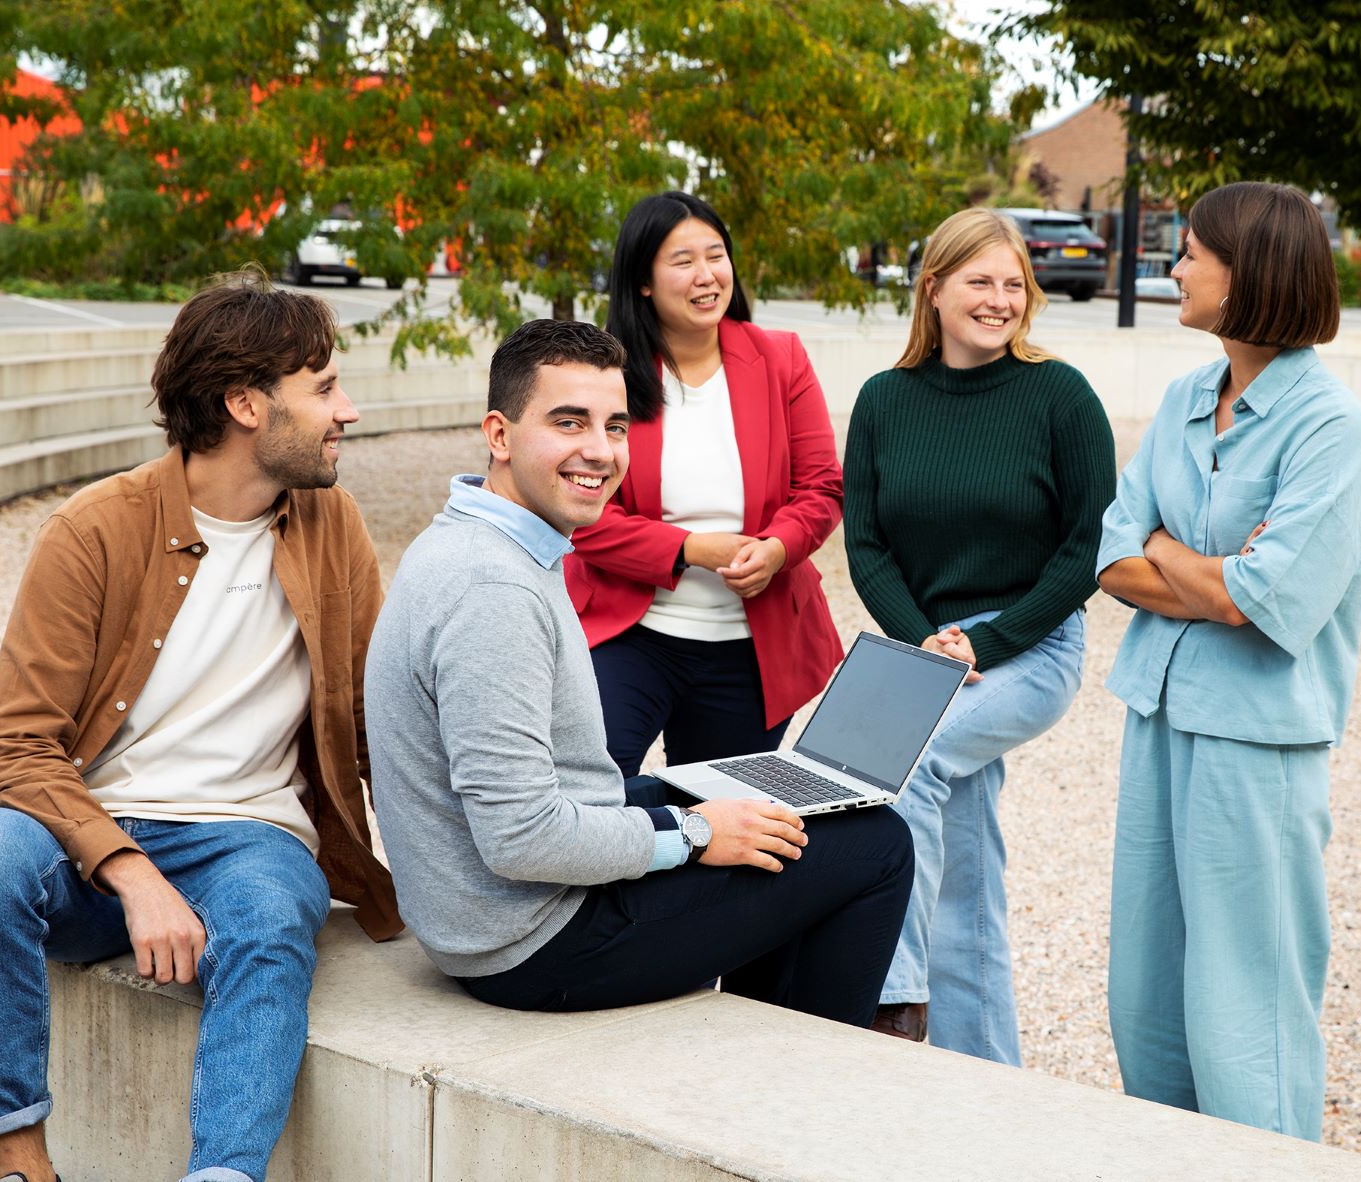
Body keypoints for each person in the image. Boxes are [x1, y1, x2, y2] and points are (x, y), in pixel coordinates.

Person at [365, 318, 912, 1025]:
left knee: (778, 813)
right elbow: (521, 839)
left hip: (508, 905)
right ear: (498, 435)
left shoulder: (481, 542)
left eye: (615, 426)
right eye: (569, 422)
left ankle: (763, 1033)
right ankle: (804, 1082)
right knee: (877, 845)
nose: (598, 451)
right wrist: (694, 832)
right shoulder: (490, 591)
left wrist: (683, 804)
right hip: (533, 941)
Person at [0, 270, 399, 1182]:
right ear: (246, 403)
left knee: (271, 921)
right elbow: (12, 743)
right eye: (323, 386)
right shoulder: (95, 530)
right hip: (89, 834)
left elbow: (373, 721)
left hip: (249, 833)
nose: (348, 411)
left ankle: (222, 1175)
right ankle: (19, 1161)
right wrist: (128, 871)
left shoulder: (335, 524)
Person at [1095, 181, 1361, 1141]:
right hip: (1160, 716)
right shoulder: (1185, 396)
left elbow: (1260, 603)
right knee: (1145, 991)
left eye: (1188, 252)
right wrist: (1208, 565)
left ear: (1248, 268)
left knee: (1245, 1007)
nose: (1173, 269)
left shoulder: (1329, 428)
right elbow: (1110, 552)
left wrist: (1176, 553)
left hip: (1256, 744)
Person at [843, 207, 1116, 1062]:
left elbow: (1087, 547)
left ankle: (891, 1000)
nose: (999, 300)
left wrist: (984, 647)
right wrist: (925, 640)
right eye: (980, 281)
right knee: (963, 871)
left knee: (905, 762)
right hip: (922, 645)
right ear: (933, 289)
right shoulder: (884, 401)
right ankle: (985, 1074)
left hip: (1029, 645)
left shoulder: (1059, 397)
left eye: (1013, 284)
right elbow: (865, 543)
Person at [565, 191, 844, 777]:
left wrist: (777, 549)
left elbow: (820, 488)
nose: (706, 275)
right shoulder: (604, 373)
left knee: (720, 815)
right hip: (630, 632)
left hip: (753, 644)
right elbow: (580, 514)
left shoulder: (781, 358)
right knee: (595, 785)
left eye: (715, 255)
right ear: (643, 280)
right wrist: (691, 549)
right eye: (682, 260)